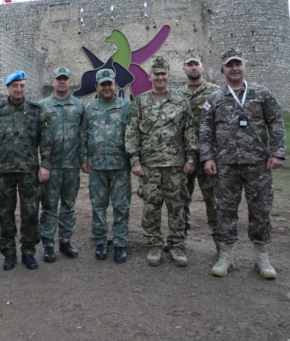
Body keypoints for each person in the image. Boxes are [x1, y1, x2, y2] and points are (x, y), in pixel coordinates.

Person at [199, 49, 286, 279]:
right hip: (226, 165)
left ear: (245, 66)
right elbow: (206, 130)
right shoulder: (214, 98)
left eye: (238, 64)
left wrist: (277, 152)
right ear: (222, 70)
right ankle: (226, 256)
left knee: (260, 210)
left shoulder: (262, 93)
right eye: (230, 65)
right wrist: (207, 157)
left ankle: (262, 257)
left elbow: (275, 121)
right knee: (225, 211)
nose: (234, 68)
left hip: (258, 164)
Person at [126, 56, 197, 267]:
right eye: (156, 74)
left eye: (163, 74)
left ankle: (177, 246)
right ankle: (154, 245)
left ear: (169, 76)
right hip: (150, 166)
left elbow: (190, 131)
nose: (159, 77)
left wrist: (191, 158)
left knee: (177, 207)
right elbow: (131, 133)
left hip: (176, 166)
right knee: (151, 207)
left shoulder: (181, 101)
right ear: (150, 76)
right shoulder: (139, 102)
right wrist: (135, 161)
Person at [0, 70, 49, 271]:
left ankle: (28, 251)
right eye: (15, 86)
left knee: (30, 213)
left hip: (29, 171)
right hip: (4, 172)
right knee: (5, 214)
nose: (19, 89)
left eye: (22, 86)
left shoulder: (36, 110)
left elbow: (45, 140)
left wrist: (45, 165)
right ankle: (9, 252)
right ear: (8, 87)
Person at [81, 68, 131, 263]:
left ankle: (120, 243)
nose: (107, 87)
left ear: (115, 85)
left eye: (110, 84)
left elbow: (133, 134)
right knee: (98, 206)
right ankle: (101, 241)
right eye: (103, 84)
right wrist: (84, 160)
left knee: (121, 205)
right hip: (97, 165)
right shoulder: (90, 108)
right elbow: (83, 135)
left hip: (120, 165)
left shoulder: (126, 106)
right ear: (97, 87)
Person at [38, 67, 84, 262]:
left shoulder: (79, 106)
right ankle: (48, 244)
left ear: (70, 81)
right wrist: (42, 164)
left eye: (65, 79)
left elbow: (83, 136)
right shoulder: (43, 106)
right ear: (53, 81)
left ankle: (65, 241)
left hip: (72, 166)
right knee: (49, 206)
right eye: (59, 79)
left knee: (68, 205)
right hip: (51, 166)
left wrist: (83, 161)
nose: (62, 82)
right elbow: (38, 136)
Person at [175, 49, 220, 251]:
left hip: (209, 156)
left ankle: (221, 245)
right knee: (181, 200)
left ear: (202, 67)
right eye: (189, 65)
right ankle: (179, 241)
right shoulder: (178, 96)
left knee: (214, 202)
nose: (193, 67)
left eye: (196, 64)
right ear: (184, 69)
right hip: (184, 158)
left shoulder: (216, 92)